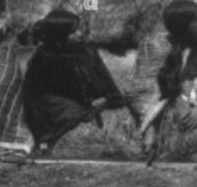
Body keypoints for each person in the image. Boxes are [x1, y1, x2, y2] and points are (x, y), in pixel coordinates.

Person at [22, 9, 125, 154]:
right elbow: (35, 97)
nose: (79, 34)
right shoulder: (44, 58)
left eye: (79, 29)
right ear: (59, 37)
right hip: (56, 113)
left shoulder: (87, 51)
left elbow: (104, 79)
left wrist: (109, 99)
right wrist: (86, 108)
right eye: (73, 32)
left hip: (88, 108)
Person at [138, 0, 197, 161]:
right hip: (167, 113)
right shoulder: (157, 47)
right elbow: (142, 91)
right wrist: (150, 130)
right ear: (183, 26)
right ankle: (160, 141)